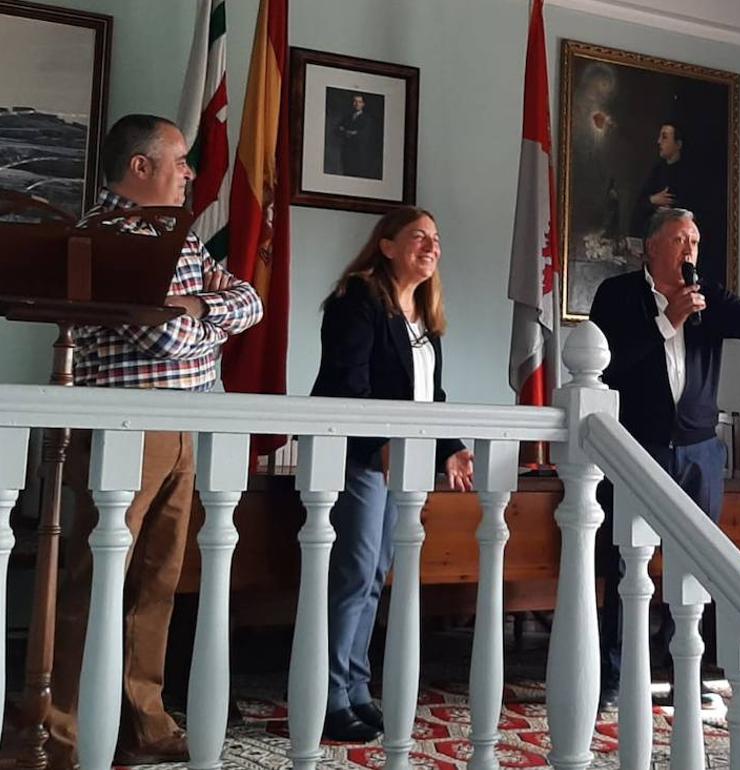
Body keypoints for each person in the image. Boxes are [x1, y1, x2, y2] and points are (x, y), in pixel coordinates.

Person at [48, 113, 263, 768]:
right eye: (179, 161)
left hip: (184, 424)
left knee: (156, 583)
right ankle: (63, 733)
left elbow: (248, 301)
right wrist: (200, 317)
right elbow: (157, 336)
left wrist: (196, 308)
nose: (190, 173)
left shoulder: (183, 239)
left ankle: (143, 724)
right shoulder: (106, 234)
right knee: (94, 578)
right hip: (124, 423)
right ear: (139, 166)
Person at [591, 207, 740, 706]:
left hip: (699, 453)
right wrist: (668, 321)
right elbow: (610, 363)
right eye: (681, 240)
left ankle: (685, 670)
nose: (690, 251)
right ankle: (615, 677)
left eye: (696, 241)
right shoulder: (617, 295)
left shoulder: (709, 295)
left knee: (695, 566)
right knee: (626, 562)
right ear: (651, 247)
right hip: (635, 448)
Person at [310, 206, 474, 741]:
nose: (432, 247)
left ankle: (356, 687)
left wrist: (450, 448)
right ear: (386, 245)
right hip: (359, 459)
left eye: (436, 239)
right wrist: (380, 442)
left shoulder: (425, 314)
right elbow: (347, 382)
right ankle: (327, 696)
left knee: (376, 575)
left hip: (402, 465)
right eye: (419, 237)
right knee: (354, 575)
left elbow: (432, 398)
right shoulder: (358, 300)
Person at [629, 122, 694, 238]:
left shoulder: (688, 173)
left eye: (664, 137)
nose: (659, 142)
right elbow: (639, 205)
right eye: (660, 137)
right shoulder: (657, 170)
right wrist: (653, 200)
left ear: (678, 144)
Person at [335, 93, 381, 179]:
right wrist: (348, 132)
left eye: (359, 102)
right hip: (347, 152)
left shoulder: (367, 119)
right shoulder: (347, 117)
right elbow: (338, 130)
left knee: (358, 175)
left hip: (359, 153)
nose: (357, 104)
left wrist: (347, 132)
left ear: (363, 104)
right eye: (355, 101)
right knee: (347, 174)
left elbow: (364, 134)